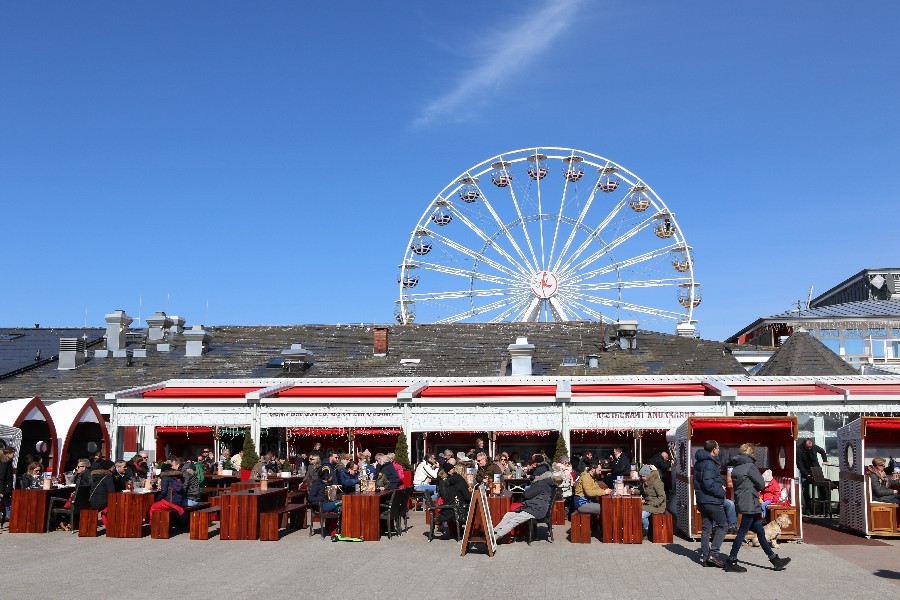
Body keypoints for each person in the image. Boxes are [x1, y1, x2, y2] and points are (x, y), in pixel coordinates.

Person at [726, 444, 790, 572]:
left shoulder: (736, 468)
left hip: (743, 502)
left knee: (760, 532)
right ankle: (731, 561)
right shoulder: (750, 466)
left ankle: (774, 560)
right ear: (750, 453)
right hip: (751, 503)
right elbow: (761, 484)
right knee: (742, 533)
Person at [493, 470, 560, 540]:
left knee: (513, 521)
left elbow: (527, 495)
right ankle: (494, 531)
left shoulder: (541, 484)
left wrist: (531, 487)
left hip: (535, 510)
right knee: (508, 515)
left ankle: (495, 537)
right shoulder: (546, 484)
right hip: (535, 508)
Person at [693, 440, 728, 568]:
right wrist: (721, 491)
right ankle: (713, 554)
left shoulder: (699, 462)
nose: (719, 450)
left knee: (706, 529)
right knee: (723, 525)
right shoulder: (709, 463)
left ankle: (704, 556)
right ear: (713, 449)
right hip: (711, 500)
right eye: (718, 448)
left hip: (702, 500)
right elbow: (708, 484)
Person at [797, 438, 827, 515]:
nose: (810, 447)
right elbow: (800, 465)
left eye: (811, 445)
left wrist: (825, 460)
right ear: (804, 444)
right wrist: (807, 475)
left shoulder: (813, 447)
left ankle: (824, 508)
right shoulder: (799, 450)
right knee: (805, 490)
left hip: (816, 469)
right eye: (808, 446)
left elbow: (822, 451)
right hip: (805, 471)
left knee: (822, 488)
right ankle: (808, 508)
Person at [638, 465, 666, 538]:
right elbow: (640, 490)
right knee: (635, 510)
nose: (641, 478)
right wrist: (634, 491)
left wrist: (652, 503)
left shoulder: (656, 482)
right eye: (640, 476)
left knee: (641, 515)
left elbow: (662, 497)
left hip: (657, 506)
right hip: (648, 504)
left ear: (648, 475)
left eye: (643, 476)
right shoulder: (644, 481)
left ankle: (646, 530)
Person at [89, 459, 117, 528]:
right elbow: (112, 492)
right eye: (114, 466)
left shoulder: (95, 476)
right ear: (110, 467)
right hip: (102, 502)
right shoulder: (108, 476)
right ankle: (113, 526)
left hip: (92, 501)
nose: (115, 468)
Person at [0, 447, 15, 529]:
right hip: (4, 488)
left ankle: (8, 522)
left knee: (7, 506)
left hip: (7, 488)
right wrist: (1, 491)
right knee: (7, 506)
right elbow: (1, 477)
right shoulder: (4, 463)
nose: (14, 454)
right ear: (8, 453)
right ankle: (12, 522)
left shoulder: (8, 462)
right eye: (13, 453)